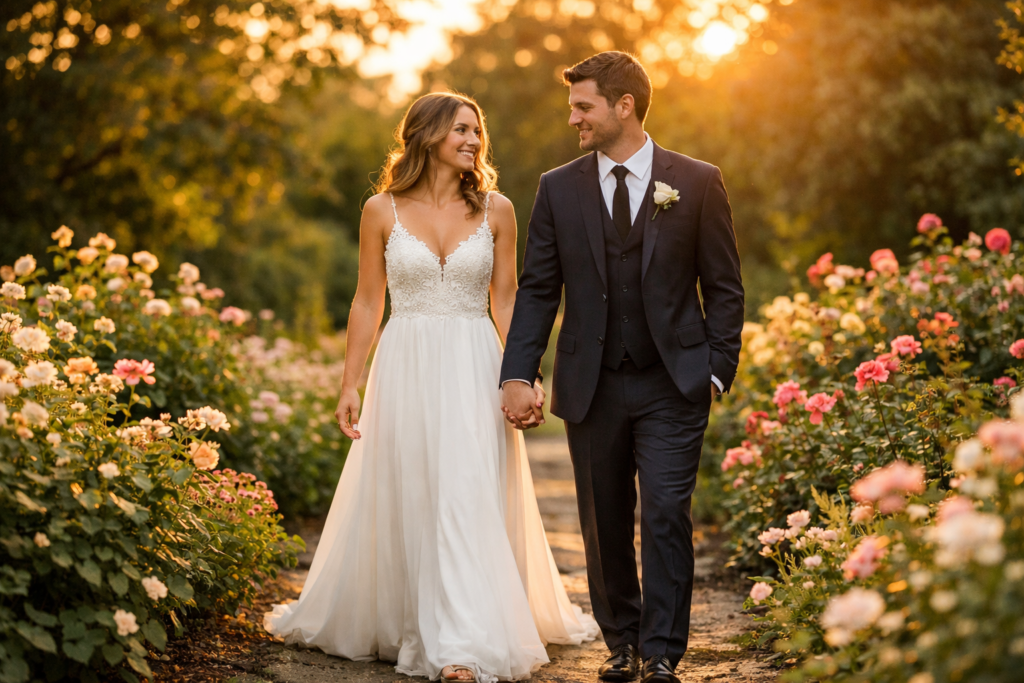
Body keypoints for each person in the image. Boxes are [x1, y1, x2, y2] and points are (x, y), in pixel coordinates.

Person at [263, 91, 598, 683]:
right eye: (461, 130)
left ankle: (459, 645)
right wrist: (350, 383)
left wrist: (524, 374)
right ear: (426, 134)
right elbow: (368, 301)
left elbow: (508, 298)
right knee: (415, 487)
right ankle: (410, 617)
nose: (473, 140)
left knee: (464, 492)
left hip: (475, 362)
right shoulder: (380, 210)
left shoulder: (497, 209)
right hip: (406, 364)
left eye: (477, 131)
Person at [500, 52, 744, 683]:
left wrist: (717, 367)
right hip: (593, 382)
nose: (573, 117)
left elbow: (724, 286)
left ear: (624, 105)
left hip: (675, 382)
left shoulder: (696, 180)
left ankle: (662, 651)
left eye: (583, 106)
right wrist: (517, 371)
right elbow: (538, 288)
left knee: (665, 510)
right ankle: (622, 643)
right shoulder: (558, 187)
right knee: (603, 517)